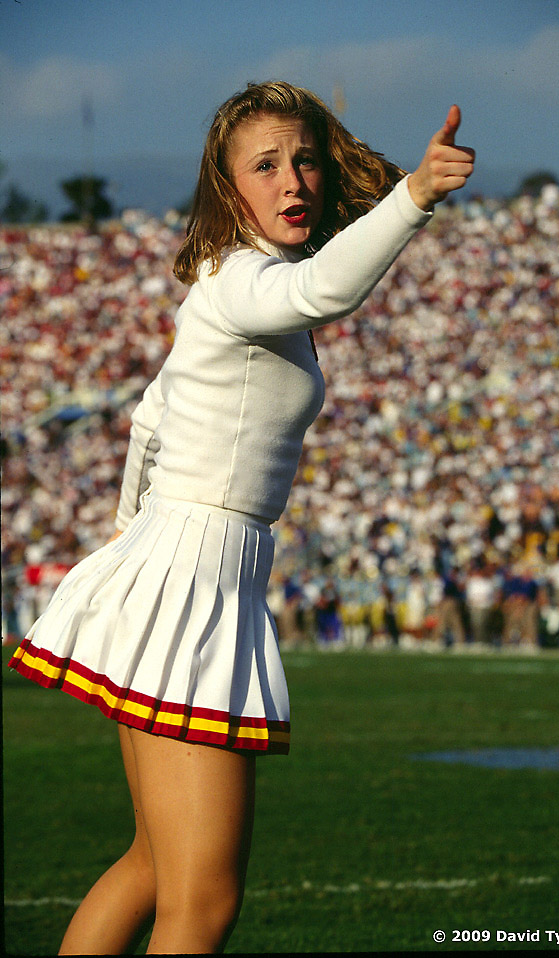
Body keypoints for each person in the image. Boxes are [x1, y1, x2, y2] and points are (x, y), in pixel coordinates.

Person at [8, 80, 474, 954]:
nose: (293, 178)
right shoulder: (243, 279)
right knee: (205, 903)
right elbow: (317, 296)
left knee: (152, 867)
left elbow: (151, 417)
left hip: (179, 567)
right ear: (229, 189)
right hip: (194, 574)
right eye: (266, 165)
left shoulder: (230, 284)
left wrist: (127, 543)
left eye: (303, 158)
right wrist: (412, 197)